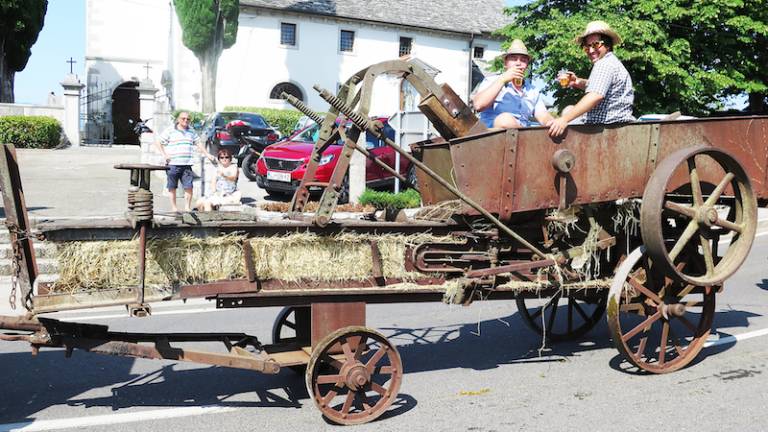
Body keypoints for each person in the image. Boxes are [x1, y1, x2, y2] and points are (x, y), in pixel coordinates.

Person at [549, 21, 635, 137]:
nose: (590, 50)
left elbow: (595, 95)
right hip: (617, 124)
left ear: (607, 45)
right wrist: (577, 82)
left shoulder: (604, 64)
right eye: (587, 47)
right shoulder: (612, 62)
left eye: (595, 45)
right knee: (568, 109)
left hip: (605, 128)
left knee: (560, 123)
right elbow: (598, 85)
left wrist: (563, 120)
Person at [471, 39, 554, 129]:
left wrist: (553, 123)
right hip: (493, 138)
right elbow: (478, 105)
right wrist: (502, 80)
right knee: (504, 119)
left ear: (526, 65)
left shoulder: (532, 90)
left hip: (522, 138)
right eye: (514, 59)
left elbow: (543, 115)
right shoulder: (492, 81)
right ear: (506, 63)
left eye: (523, 60)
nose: (518, 63)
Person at [154, 112, 214, 212]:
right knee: (172, 187)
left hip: (187, 164)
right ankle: (174, 208)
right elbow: (158, 142)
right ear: (178, 119)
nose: (185, 120)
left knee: (189, 187)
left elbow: (198, 143)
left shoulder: (191, 131)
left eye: (188, 119)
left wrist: (207, 154)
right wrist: (164, 155)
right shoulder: (170, 130)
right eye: (183, 118)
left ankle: (187, 207)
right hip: (173, 164)